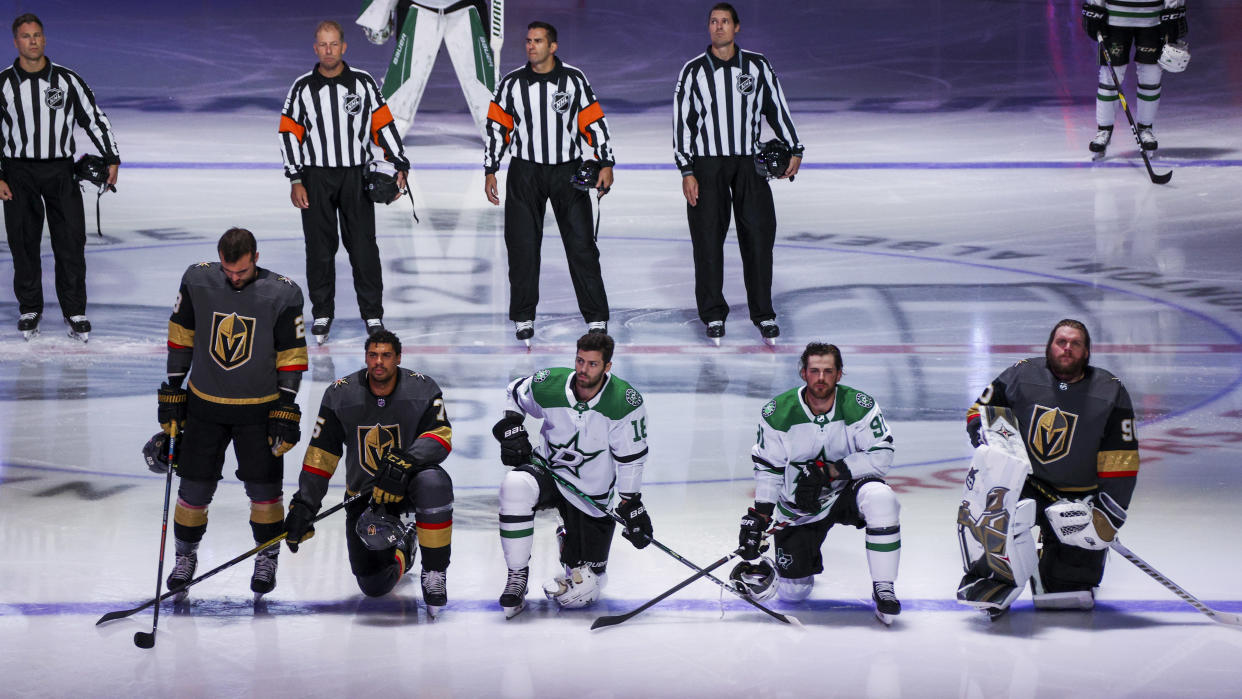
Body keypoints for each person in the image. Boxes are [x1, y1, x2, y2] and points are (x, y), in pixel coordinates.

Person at [155, 228, 307, 599]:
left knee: (265, 492)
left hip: (259, 410)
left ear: (255, 256)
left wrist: (285, 407)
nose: (233, 277)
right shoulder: (197, 279)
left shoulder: (284, 293)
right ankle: (185, 558)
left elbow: (291, 356)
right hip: (204, 405)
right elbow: (181, 336)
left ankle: (266, 557)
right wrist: (173, 390)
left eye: (240, 271)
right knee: (194, 488)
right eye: (228, 270)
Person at [960, 319, 1140, 614]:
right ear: (1049, 346)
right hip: (1024, 482)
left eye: (1075, 343)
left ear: (1086, 351)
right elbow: (980, 410)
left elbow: (1121, 459)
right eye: (1061, 342)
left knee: (1064, 598)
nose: (1067, 348)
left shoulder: (1110, 391)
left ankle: (1061, 559)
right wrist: (983, 430)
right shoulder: (1022, 373)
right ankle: (995, 575)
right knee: (991, 508)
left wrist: (1107, 516)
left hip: (1078, 496)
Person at [283, 330, 455, 617]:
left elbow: (441, 435)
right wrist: (304, 505)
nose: (379, 362)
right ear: (365, 358)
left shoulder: (423, 389)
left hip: (409, 485)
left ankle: (435, 571)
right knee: (373, 584)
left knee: (434, 483)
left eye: (386, 355)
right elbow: (320, 456)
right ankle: (406, 547)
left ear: (398, 358)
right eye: (373, 355)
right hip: (365, 495)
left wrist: (404, 462)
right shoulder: (340, 394)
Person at [735, 342, 902, 624]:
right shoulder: (778, 412)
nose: (821, 378)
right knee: (794, 593)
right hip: (799, 507)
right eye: (814, 371)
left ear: (839, 374)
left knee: (881, 499)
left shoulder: (860, 406)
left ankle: (884, 587)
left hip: (846, 492)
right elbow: (768, 467)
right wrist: (761, 516)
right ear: (803, 373)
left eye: (828, 371)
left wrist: (830, 472)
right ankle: (772, 567)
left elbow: (882, 455)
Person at [491, 332, 652, 618]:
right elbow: (514, 392)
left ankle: (567, 538)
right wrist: (511, 426)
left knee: (587, 588)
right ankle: (517, 577)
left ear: (607, 367)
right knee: (514, 486)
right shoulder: (548, 384)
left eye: (592, 364)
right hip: (548, 471)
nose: (582, 370)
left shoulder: (624, 402)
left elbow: (630, 459)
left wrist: (630, 503)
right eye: (579, 361)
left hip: (591, 494)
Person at [674, 3, 801, 346]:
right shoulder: (693, 71)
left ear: (737, 27)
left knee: (759, 236)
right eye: (713, 22)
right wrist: (687, 169)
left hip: (749, 163)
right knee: (707, 241)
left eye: (725, 21)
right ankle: (713, 313)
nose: (718, 27)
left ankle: (764, 313)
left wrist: (795, 148)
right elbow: (682, 123)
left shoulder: (757, 66)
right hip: (707, 165)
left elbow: (776, 107)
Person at [483, 21, 614, 345]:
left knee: (582, 246)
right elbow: (497, 128)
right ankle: (523, 317)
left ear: (552, 46)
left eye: (538, 41)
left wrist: (606, 161)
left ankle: (596, 316)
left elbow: (594, 121)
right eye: (528, 41)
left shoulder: (573, 80)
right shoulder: (512, 84)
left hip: (566, 172)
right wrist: (490, 169)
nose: (531, 46)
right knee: (523, 248)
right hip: (525, 172)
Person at [279, 20, 409, 344]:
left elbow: (384, 124)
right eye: (323, 45)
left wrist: (398, 162)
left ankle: (373, 314)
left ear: (343, 47)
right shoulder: (302, 88)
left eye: (334, 44)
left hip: (355, 176)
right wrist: (295, 177)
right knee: (319, 249)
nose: (328, 50)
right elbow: (289, 134)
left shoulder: (363, 83)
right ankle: (322, 313)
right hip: (315, 176)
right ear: (315, 48)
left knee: (364, 247)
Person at [0, 13, 119, 341]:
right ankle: (30, 308)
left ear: (45, 39)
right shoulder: (3, 84)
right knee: (23, 243)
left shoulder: (68, 81)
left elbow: (94, 119)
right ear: (16, 42)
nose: (33, 41)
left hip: (60, 170)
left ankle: (74, 309)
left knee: (70, 241)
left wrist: (112, 158)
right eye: (26, 36)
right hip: (18, 171)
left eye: (37, 35)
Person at [355, 0, 497, 140]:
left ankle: (497, 123)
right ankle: (390, 121)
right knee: (387, 128)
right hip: (418, 7)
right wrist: (376, 12)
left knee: (489, 104)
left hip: (466, 7)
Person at [1082, 0, 1187, 153]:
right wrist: (1095, 6)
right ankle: (1104, 129)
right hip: (1114, 18)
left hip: (1152, 19)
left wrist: (1174, 9)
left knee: (1151, 75)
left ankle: (1145, 127)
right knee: (1111, 76)